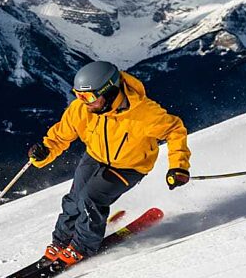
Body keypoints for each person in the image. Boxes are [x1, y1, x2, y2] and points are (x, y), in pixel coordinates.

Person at [28, 61, 190, 266]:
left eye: (88, 97)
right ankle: (62, 240)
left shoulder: (144, 113)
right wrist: (45, 151)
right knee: (74, 199)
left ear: (109, 91)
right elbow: (62, 134)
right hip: (95, 156)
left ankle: (82, 247)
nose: (83, 102)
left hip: (130, 165)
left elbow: (175, 131)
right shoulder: (82, 109)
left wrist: (179, 166)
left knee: (91, 198)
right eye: (78, 96)